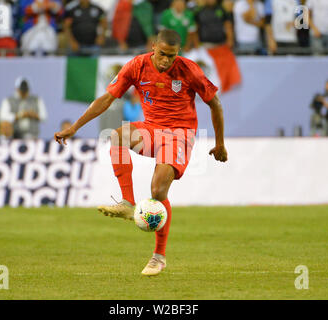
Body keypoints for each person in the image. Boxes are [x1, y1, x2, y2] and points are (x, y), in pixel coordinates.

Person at [54, 30, 228, 276]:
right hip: (152, 129)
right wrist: (74, 128)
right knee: (116, 135)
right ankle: (127, 202)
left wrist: (219, 144)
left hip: (180, 134)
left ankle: (159, 256)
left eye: (171, 56)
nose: (166, 61)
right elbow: (106, 99)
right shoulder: (137, 65)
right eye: (162, 54)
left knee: (158, 191)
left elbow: (215, 104)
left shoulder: (189, 70)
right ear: (153, 46)